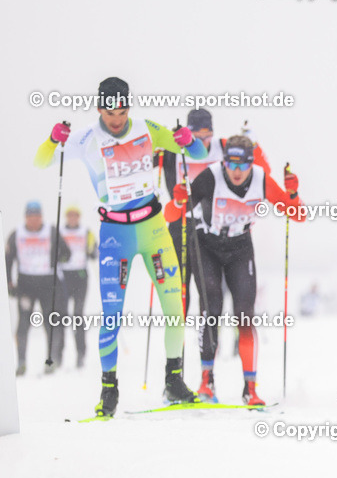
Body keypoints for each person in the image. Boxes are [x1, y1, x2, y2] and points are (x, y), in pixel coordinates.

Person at [34, 76, 208, 416]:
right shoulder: (85, 138)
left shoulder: (147, 128)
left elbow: (196, 153)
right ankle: (109, 389)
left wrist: (186, 140)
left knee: (175, 307)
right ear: (99, 108)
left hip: (154, 228)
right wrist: (53, 140)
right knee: (111, 316)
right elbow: (41, 162)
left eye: (123, 111)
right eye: (111, 112)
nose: (118, 119)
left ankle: (174, 381)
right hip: (115, 234)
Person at [164, 134, 304, 406]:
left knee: (245, 315)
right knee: (211, 309)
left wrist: (293, 193)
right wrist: (179, 201)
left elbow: (296, 214)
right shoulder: (210, 176)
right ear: (224, 161)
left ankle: (250, 388)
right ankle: (207, 381)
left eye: (244, 164)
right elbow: (172, 216)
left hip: (240, 247)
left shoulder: (261, 179)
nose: (237, 171)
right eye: (232, 163)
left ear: (252, 163)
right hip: (207, 245)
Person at [158, 109, 273, 314]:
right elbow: (146, 157)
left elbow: (262, 171)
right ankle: (179, 339)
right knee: (179, 288)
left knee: (218, 292)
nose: (203, 142)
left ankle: (224, 338)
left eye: (207, 136)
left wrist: (254, 143)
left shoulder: (224, 147)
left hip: (215, 227)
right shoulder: (175, 151)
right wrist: (167, 139)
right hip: (182, 224)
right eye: (196, 137)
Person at [5, 201, 70, 376]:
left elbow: (66, 252)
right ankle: (21, 361)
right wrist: (9, 282)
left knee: (50, 323)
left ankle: (51, 360)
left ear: (41, 216)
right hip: (26, 284)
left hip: (48, 283)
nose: (33, 220)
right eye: (30, 216)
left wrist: (59, 259)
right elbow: (8, 259)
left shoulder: (51, 231)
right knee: (24, 323)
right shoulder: (16, 234)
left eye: (36, 216)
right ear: (26, 217)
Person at [59, 204, 97, 368]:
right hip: (64, 277)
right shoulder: (60, 232)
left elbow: (95, 253)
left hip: (81, 276)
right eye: (70, 215)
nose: (72, 218)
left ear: (78, 217)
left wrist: (92, 249)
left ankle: (81, 354)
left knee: (77, 315)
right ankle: (58, 354)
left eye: (75, 215)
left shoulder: (86, 232)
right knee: (60, 315)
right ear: (67, 217)